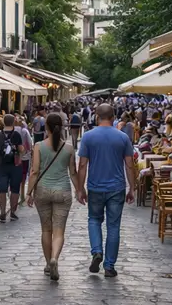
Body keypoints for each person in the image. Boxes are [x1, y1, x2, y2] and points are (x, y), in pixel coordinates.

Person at [76, 103, 137, 278]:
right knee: (113, 226)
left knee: (94, 220)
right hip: (116, 187)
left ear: (96, 116)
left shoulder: (88, 137)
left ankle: (97, 251)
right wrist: (132, 188)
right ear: (113, 117)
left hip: (95, 186)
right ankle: (109, 266)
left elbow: (82, 165)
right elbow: (129, 164)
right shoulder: (123, 137)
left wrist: (80, 189)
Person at [26, 113, 79, 281]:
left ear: (46, 127)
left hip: (42, 191)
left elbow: (34, 171)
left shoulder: (39, 146)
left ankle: (49, 263)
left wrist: (28, 193)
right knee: (59, 231)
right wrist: (80, 190)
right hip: (62, 191)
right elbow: (73, 173)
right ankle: (55, 257)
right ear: (62, 127)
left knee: (46, 229)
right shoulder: (69, 148)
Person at [0, 114, 25, 222]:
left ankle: (2, 213)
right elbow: (21, 149)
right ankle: (12, 212)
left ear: (3, 122)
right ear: (13, 122)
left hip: (2, 165)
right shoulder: (16, 134)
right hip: (15, 165)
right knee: (15, 189)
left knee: (2, 189)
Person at [18, 117, 34, 205]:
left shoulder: (15, 131)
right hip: (25, 156)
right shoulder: (25, 131)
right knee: (24, 174)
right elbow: (30, 142)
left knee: (19, 175)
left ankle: (20, 194)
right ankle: (22, 194)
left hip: (17, 157)